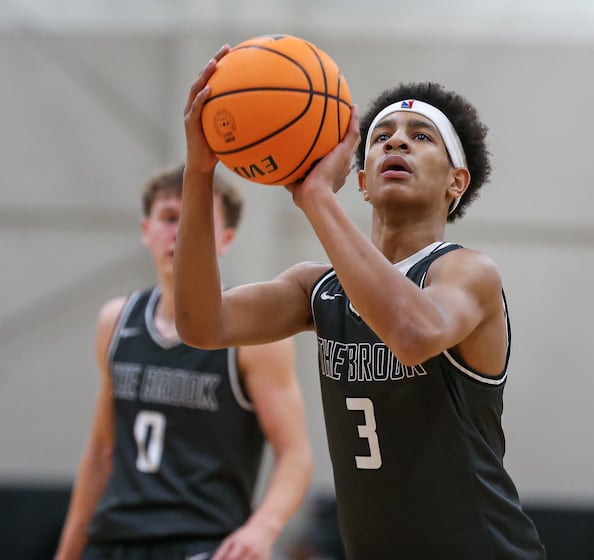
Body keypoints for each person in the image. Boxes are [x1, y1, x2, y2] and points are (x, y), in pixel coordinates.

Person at [174, 45, 547, 559]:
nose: (398, 141)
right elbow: (200, 324)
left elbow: (412, 334)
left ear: (456, 183)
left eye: (421, 137)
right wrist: (198, 174)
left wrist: (316, 198)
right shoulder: (319, 289)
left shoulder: (466, 271)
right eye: (382, 137)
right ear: (364, 182)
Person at [54, 163, 312, 560]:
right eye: (169, 217)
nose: (180, 231)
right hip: (114, 539)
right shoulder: (116, 321)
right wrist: (68, 552)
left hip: (202, 540)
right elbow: (101, 452)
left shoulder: (252, 337)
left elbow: (295, 454)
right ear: (146, 230)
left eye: (196, 219)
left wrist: (263, 528)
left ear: (225, 239)